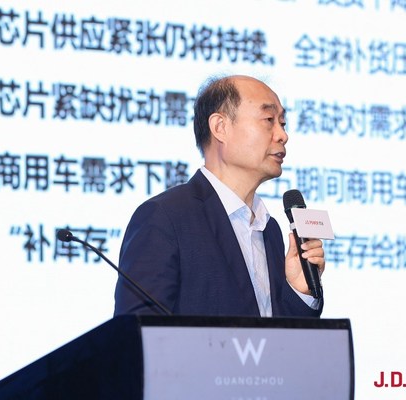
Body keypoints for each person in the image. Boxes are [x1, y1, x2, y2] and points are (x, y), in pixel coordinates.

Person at [114, 75, 325, 318]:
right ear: (220, 128)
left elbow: (275, 335)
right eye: (269, 120)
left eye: (283, 123)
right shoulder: (165, 218)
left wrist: (299, 292)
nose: (282, 135)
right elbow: (136, 330)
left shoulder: (270, 230)